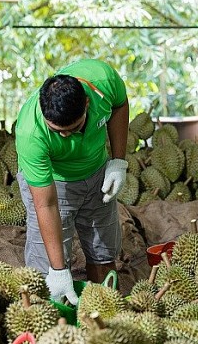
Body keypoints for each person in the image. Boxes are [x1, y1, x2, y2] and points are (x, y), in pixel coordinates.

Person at [14, 59, 130, 304]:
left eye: (73, 128)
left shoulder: (103, 80)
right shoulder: (30, 134)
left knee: (103, 251)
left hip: (97, 172)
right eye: (57, 131)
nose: (65, 135)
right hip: (54, 182)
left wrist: (118, 162)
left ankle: (106, 308)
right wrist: (57, 270)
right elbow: (45, 204)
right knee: (45, 270)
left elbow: (120, 104)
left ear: (87, 104)